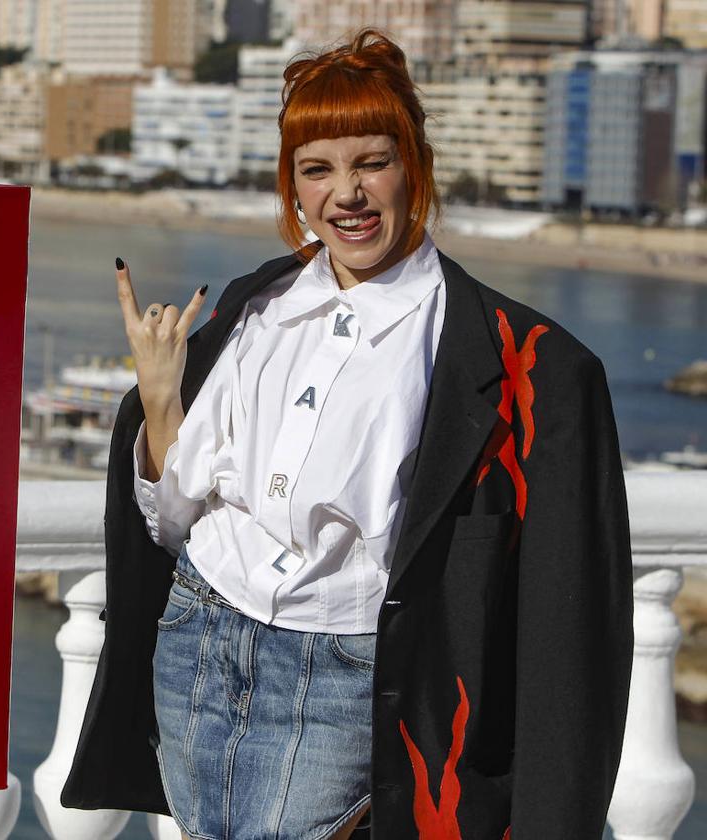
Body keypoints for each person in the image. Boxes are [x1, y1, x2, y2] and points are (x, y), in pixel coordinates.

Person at [61, 28, 633, 840]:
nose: (347, 195)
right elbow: (173, 523)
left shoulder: (527, 365)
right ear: (291, 185)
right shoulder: (252, 309)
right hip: (196, 643)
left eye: (371, 162)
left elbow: (573, 632)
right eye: (317, 170)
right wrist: (160, 401)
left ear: (414, 165)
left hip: (346, 679)